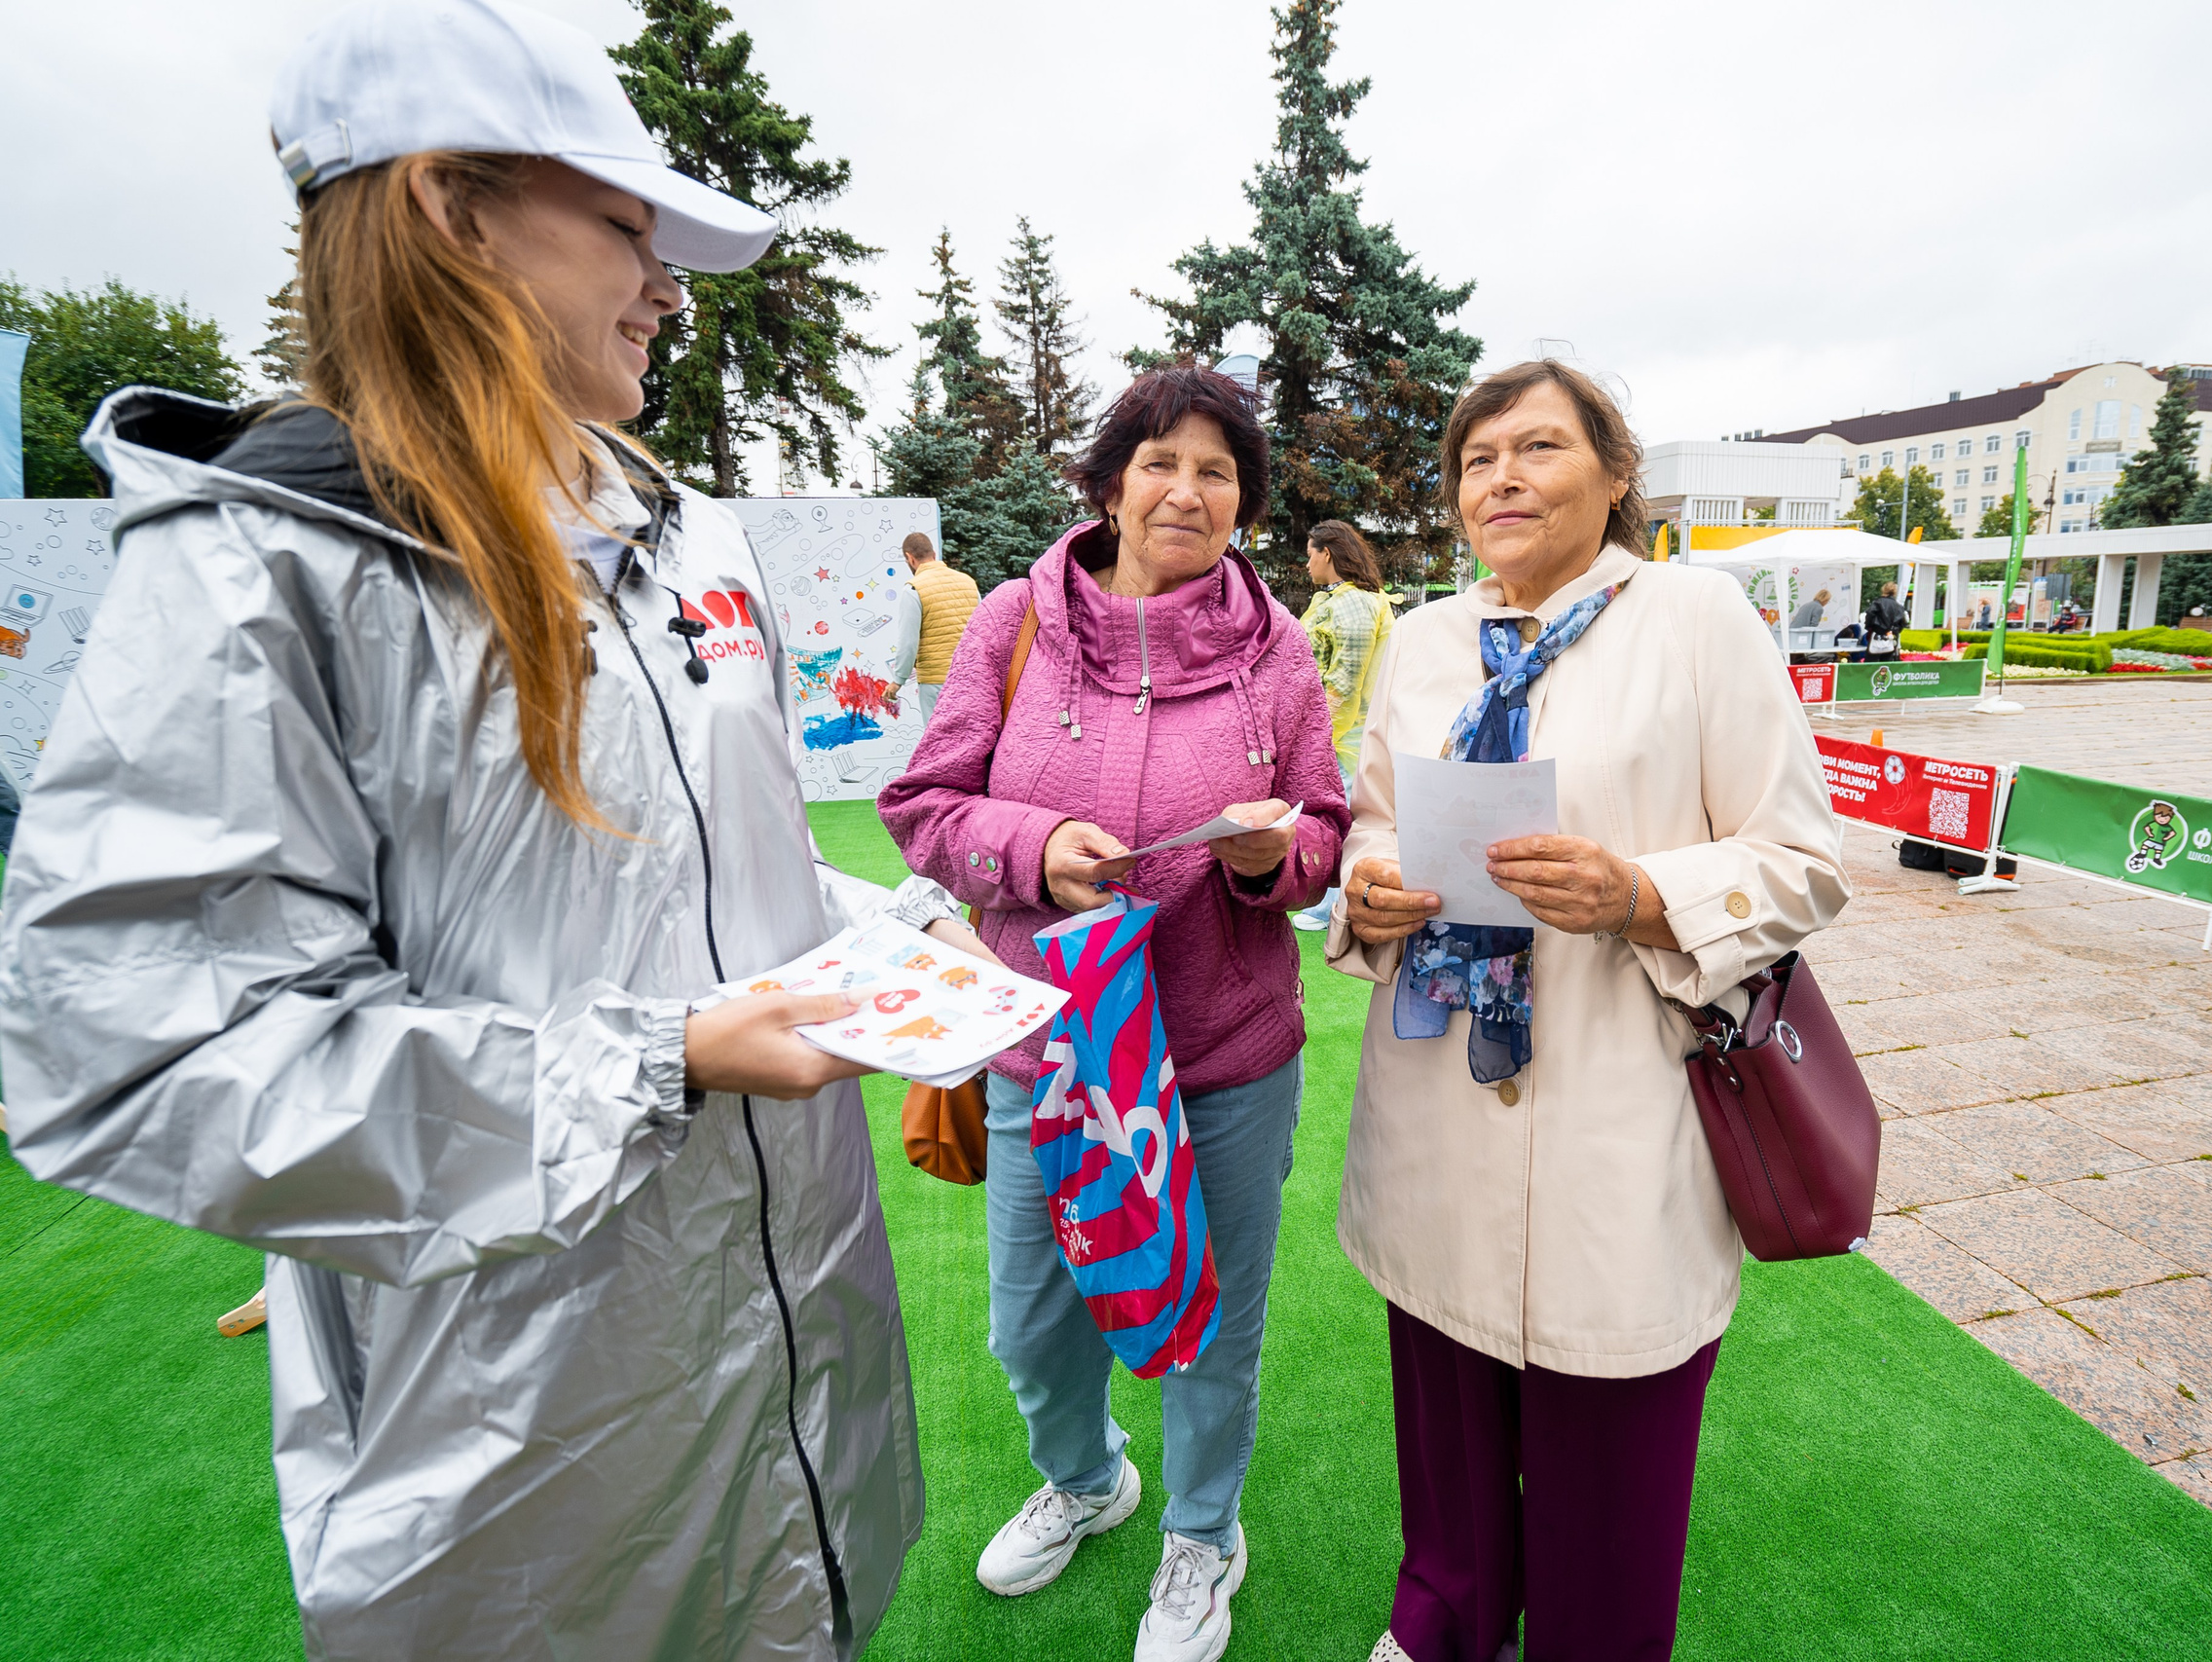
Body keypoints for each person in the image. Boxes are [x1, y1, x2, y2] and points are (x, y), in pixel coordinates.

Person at [0, 4, 973, 1655]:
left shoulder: (680, 526)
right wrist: (653, 1059)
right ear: (450, 209)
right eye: (625, 224)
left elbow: (714, 865)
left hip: (801, 1369)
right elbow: (142, 1056)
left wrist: (895, 939)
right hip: (522, 1457)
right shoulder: (264, 564)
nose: (671, 281)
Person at [1327, 360, 1849, 1662]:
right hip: (1439, 1104)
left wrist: (1638, 889)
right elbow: (1376, 811)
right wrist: (1369, 884)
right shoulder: (1430, 638)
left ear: (1616, 475)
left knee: (1609, 1449)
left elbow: (1802, 860)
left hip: (1623, 1107)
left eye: (1540, 446)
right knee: (1447, 1425)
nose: (1500, 474)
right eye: (1477, 455)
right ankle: (1444, 1615)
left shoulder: (1695, 617)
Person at [881, 364, 1349, 1662]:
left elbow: (1322, 834)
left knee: (1211, 1328)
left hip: (1226, 1057)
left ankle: (1202, 1535)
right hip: (1057, 1053)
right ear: (1108, 483)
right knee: (1032, 1315)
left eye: (1216, 470)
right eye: (1159, 461)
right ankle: (1088, 1480)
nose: (1186, 490)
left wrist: (1271, 859)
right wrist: (1031, 849)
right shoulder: (1019, 622)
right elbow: (926, 803)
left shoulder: (1277, 651)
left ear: (1243, 502)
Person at [1293, 520, 1396, 931]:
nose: (1307, 564)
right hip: (1342, 729)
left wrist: (1321, 733)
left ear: (1327, 554)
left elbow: (1345, 679)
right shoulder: (1348, 599)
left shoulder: (1351, 604)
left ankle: (1334, 905)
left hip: (1345, 732)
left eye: (1310, 554)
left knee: (1348, 815)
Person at [888, 530, 980, 728]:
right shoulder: (969, 583)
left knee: (939, 745)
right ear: (934, 555)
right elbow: (982, 631)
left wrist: (898, 680)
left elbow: (908, 643)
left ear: (909, 558)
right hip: (971, 677)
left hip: (936, 681)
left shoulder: (914, 589)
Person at [1862, 578, 1908, 660]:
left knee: (1871, 664)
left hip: (1877, 635)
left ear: (1883, 590)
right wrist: (1895, 631)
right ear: (1894, 592)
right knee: (1887, 664)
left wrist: (1869, 626)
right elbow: (1903, 622)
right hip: (1891, 637)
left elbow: (1870, 614)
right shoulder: (1899, 606)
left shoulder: (1877, 602)